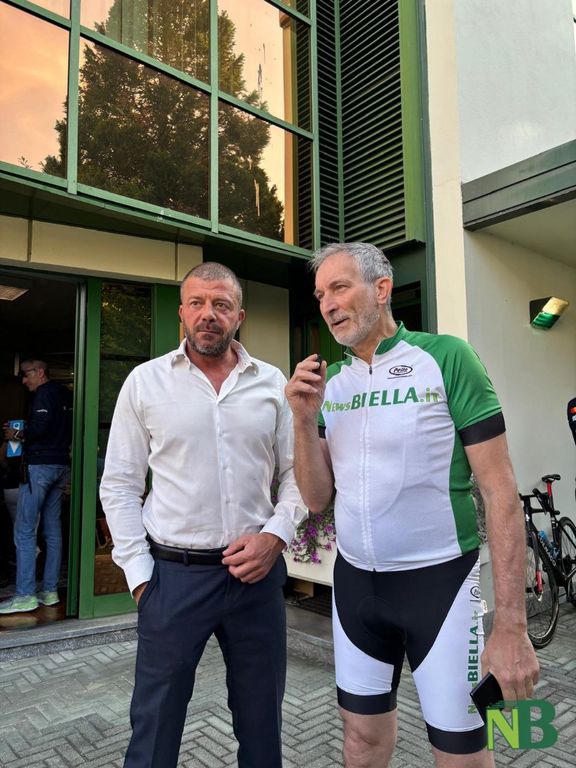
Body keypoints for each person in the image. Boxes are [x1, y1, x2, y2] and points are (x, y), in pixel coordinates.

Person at [285, 242, 539, 768]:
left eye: (339, 287)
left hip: (442, 587)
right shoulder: (332, 385)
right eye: (320, 294)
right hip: (356, 586)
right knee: (360, 740)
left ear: (381, 289)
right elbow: (316, 498)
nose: (327, 303)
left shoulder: (446, 358)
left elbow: (501, 492)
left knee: (463, 752)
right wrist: (303, 422)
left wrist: (512, 626)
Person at [99, 262, 306, 768]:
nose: (207, 314)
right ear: (182, 313)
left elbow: (297, 474)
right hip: (173, 579)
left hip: (255, 579)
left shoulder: (271, 384)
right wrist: (140, 577)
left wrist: (276, 536)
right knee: (154, 729)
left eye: (221, 305)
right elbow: (120, 484)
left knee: (262, 725)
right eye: (197, 303)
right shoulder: (145, 383)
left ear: (240, 316)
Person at [0, 360, 72, 614]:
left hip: (40, 467)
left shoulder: (44, 393)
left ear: (40, 372)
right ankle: (50, 591)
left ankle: (25, 594)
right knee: (53, 531)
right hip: (61, 465)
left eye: (26, 374)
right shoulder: (65, 394)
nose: (23, 380)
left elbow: (40, 429)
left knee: (24, 530)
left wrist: (16, 434)